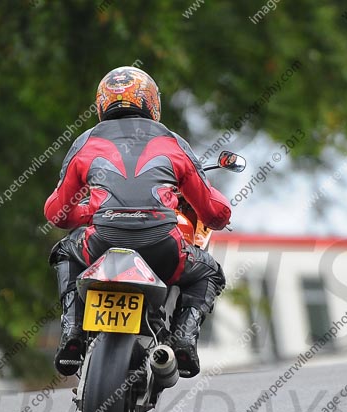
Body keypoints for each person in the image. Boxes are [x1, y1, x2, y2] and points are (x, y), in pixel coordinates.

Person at [44, 65, 231, 379]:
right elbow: (213, 213)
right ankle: (184, 337)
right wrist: (221, 206)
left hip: (100, 244)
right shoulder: (173, 142)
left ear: (102, 103)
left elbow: (56, 213)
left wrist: (94, 212)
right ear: (151, 102)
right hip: (163, 248)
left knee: (64, 251)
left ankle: (72, 329)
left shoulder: (85, 142)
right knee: (209, 272)